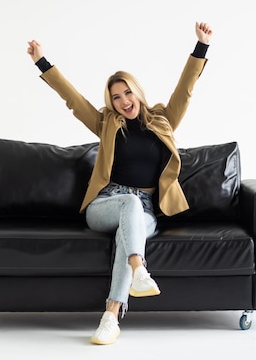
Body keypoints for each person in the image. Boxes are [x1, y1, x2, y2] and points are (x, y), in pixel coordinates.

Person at [26, 22, 213, 345]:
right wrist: (43, 62)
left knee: (129, 236)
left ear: (137, 92)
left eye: (127, 92)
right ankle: (139, 270)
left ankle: (110, 317)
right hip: (106, 203)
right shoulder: (106, 124)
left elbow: (186, 89)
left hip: (146, 210)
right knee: (128, 207)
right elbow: (73, 99)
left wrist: (201, 47)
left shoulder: (162, 120)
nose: (124, 101)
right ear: (111, 104)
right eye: (116, 97)